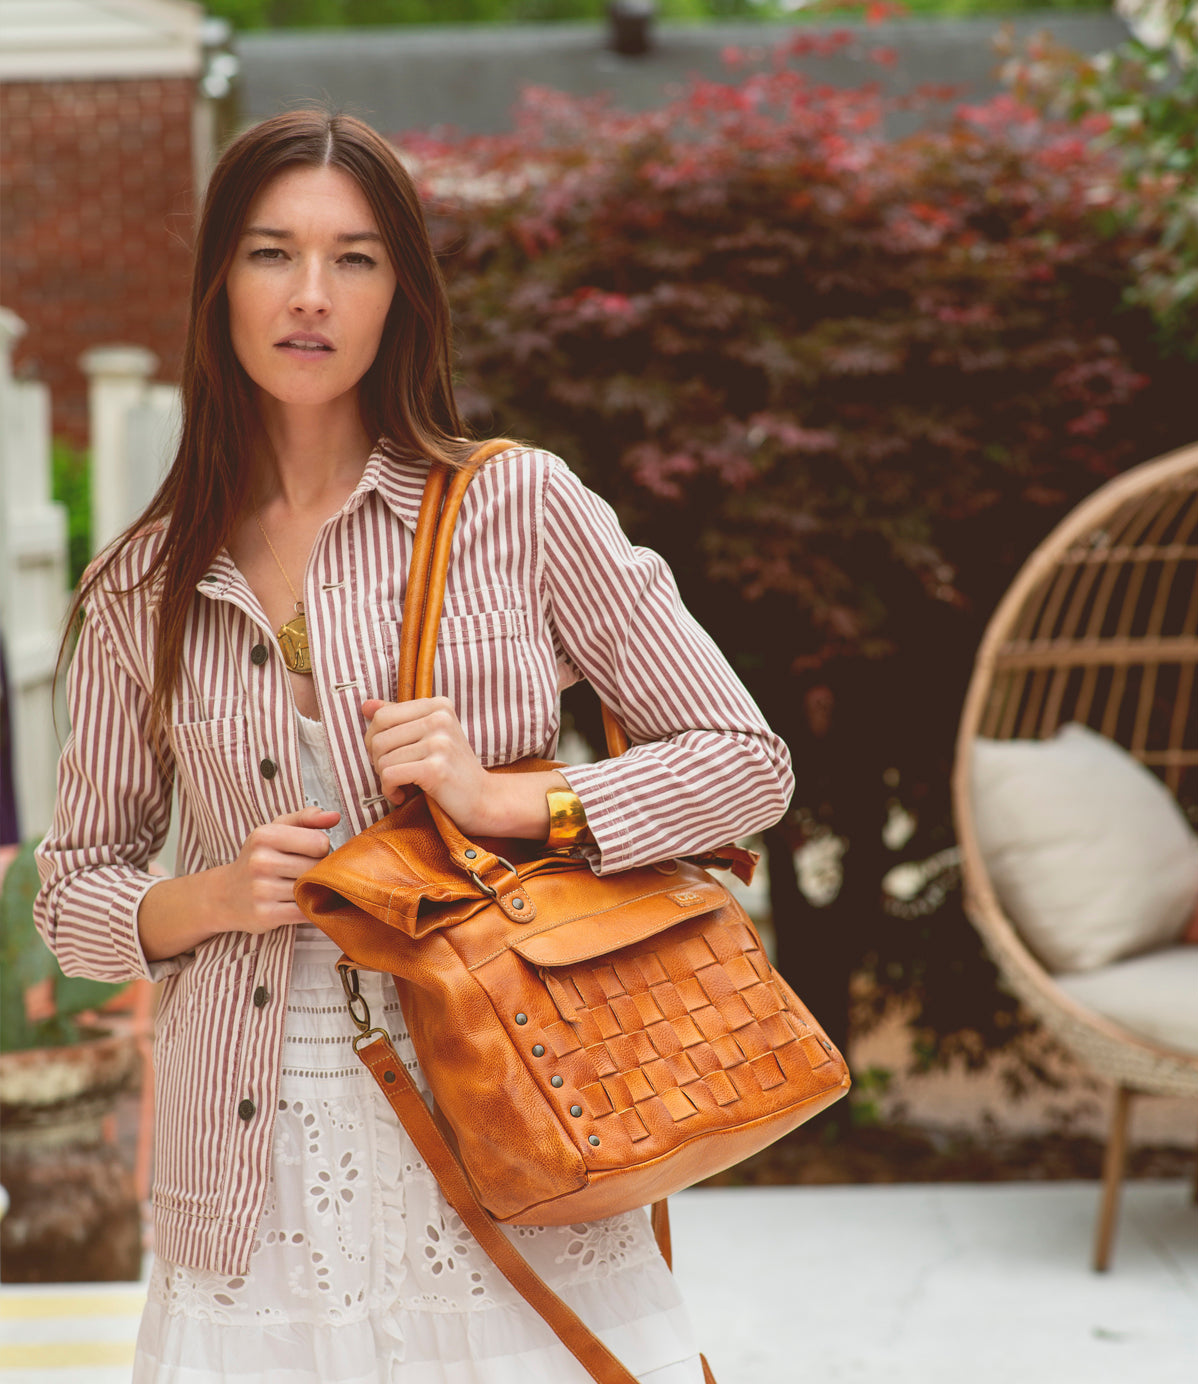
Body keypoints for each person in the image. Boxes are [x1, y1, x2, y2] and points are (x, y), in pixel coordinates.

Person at [35, 110, 794, 1383]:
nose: (313, 296)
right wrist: (205, 895)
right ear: (220, 278)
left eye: (359, 258)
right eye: (275, 253)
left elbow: (743, 758)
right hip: (251, 1148)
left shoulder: (517, 504)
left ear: (405, 294)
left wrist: (512, 800)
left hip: (511, 1099)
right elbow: (71, 893)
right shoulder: (139, 585)